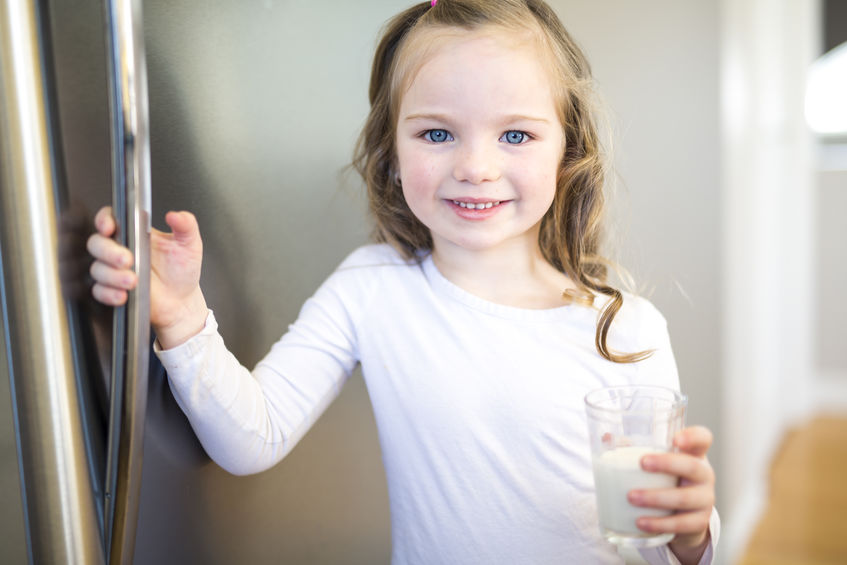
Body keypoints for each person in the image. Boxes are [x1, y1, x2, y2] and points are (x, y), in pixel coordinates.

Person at [87, 1, 718, 563]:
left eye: (517, 134)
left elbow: (668, 536)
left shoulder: (627, 328)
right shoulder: (372, 290)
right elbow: (253, 437)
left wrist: (691, 538)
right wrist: (180, 315)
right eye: (437, 133)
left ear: (567, 150)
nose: (475, 166)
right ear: (392, 151)